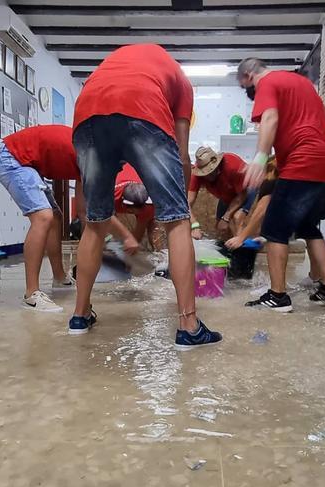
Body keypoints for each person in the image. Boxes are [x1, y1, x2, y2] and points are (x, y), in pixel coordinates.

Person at [71, 44, 222, 349]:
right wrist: (182, 206)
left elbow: (97, 91)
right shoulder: (180, 80)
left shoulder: (115, 61)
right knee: (176, 222)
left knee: (96, 223)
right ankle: (189, 326)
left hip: (87, 113)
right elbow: (181, 153)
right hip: (142, 108)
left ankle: (79, 315)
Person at [236, 57, 325, 312]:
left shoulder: (267, 82)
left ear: (249, 75)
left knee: (274, 227)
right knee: (308, 226)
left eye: (245, 87)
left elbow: (270, 118)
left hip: (303, 160)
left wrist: (261, 158)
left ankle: (278, 296)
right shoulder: (301, 82)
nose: (249, 92)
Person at [0, 125, 82, 312]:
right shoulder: (89, 155)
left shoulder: (86, 150)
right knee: (43, 217)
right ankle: (31, 295)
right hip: (10, 156)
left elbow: (82, 209)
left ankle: (59, 277)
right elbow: (86, 213)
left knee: (55, 217)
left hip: (25, 161)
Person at [188, 147, 256, 240]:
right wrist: (194, 225)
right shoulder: (196, 175)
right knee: (221, 228)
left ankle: (243, 251)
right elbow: (187, 204)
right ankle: (230, 252)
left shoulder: (232, 165)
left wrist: (226, 217)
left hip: (246, 188)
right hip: (226, 195)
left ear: (217, 165)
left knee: (237, 218)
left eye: (210, 172)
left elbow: (242, 195)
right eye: (205, 174)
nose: (208, 176)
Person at [111, 163, 157, 251]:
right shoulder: (111, 195)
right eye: (132, 211)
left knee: (152, 226)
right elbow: (103, 217)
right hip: (120, 165)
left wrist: (131, 244)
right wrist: (126, 237)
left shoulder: (148, 204)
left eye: (141, 209)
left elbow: (139, 232)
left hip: (140, 170)